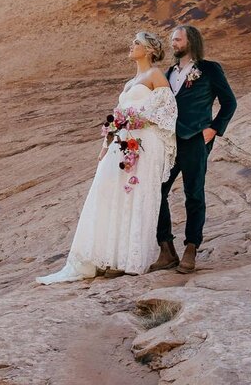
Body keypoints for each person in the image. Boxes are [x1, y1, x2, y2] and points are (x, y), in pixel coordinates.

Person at [35, 31, 178, 283]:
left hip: (145, 142)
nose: (131, 46)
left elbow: (168, 110)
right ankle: (111, 257)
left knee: (137, 196)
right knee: (112, 194)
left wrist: (137, 117)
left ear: (149, 51)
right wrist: (106, 143)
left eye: (137, 43)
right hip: (122, 143)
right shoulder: (129, 83)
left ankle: (130, 261)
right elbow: (117, 116)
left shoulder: (155, 75)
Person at [150, 24, 237, 274]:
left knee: (194, 194)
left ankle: (191, 247)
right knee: (157, 192)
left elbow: (229, 102)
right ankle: (166, 248)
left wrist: (214, 129)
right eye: (172, 40)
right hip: (169, 142)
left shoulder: (209, 69)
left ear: (191, 42)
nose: (173, 44)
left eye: (177, 39)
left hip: (196, 140)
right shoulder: (168, 73)